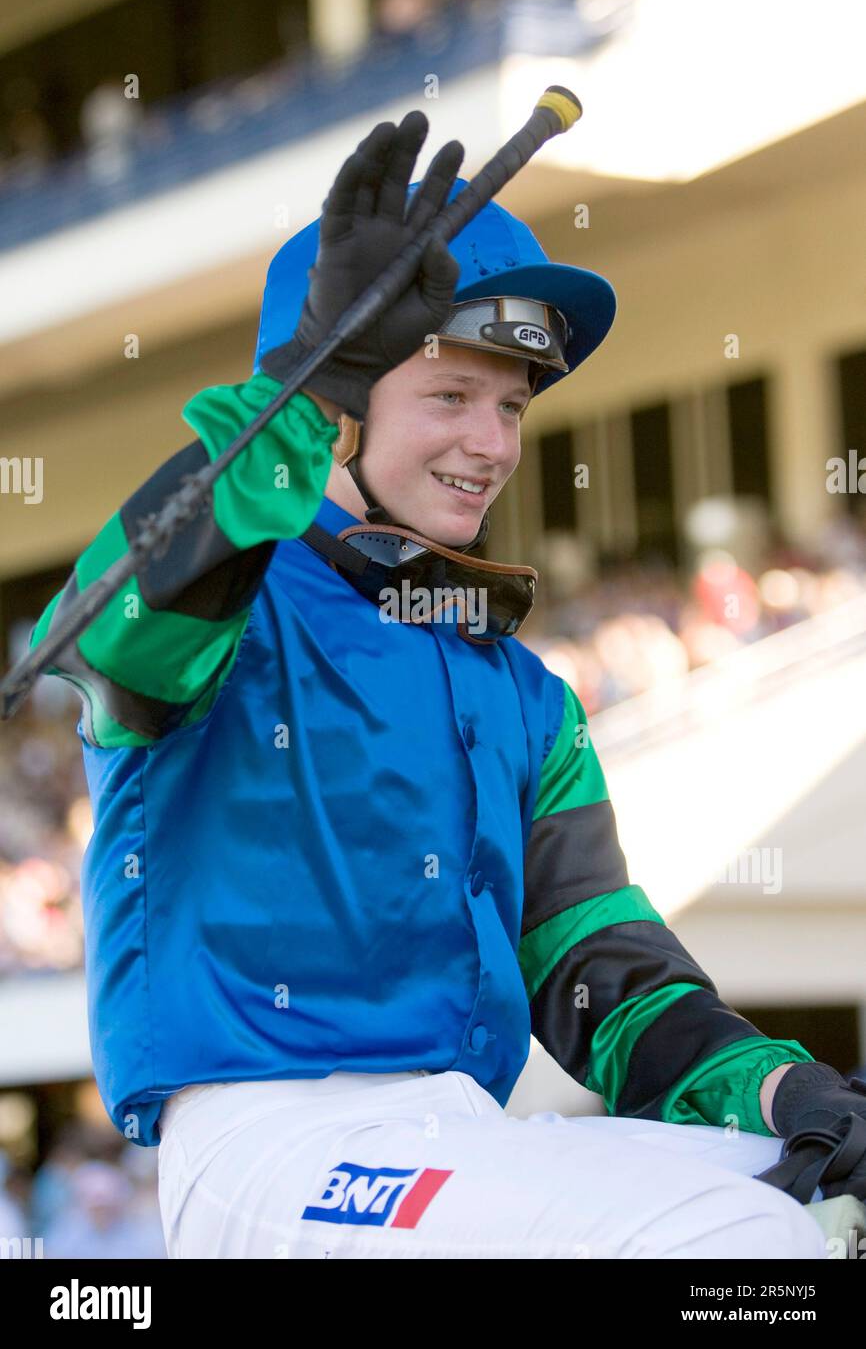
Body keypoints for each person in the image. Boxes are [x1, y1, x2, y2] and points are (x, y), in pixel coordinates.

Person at [28, 110, 866, 1259]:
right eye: (447, 396)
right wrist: (287, 400)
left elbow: (599, 972)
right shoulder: (226, 608)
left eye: (512, 405)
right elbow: (117, 625)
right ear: (338, 405)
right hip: (265, 1148)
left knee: (817, 1203)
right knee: (728, 1238)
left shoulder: (525, 693)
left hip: (465, 1134)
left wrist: (784, 1096)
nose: (492, 442)